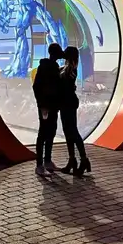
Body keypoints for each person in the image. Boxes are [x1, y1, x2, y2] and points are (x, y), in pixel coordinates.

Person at [58, 46, 91, 177]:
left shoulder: (70, 69)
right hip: (66, 102)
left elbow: (63, 78)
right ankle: (72, 160)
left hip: (68, 103)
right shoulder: (68, 68)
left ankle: (83, 159)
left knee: (72, 131)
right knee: (68, 131)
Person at [32, 43, 62, 177]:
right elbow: (36, 87)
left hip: (52, 105)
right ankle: (40, 164)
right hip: (46, 106)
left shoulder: (53, 67)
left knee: (50, 132)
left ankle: (47, 161)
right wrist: (42, 104)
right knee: (44, 133)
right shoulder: (45, 67)